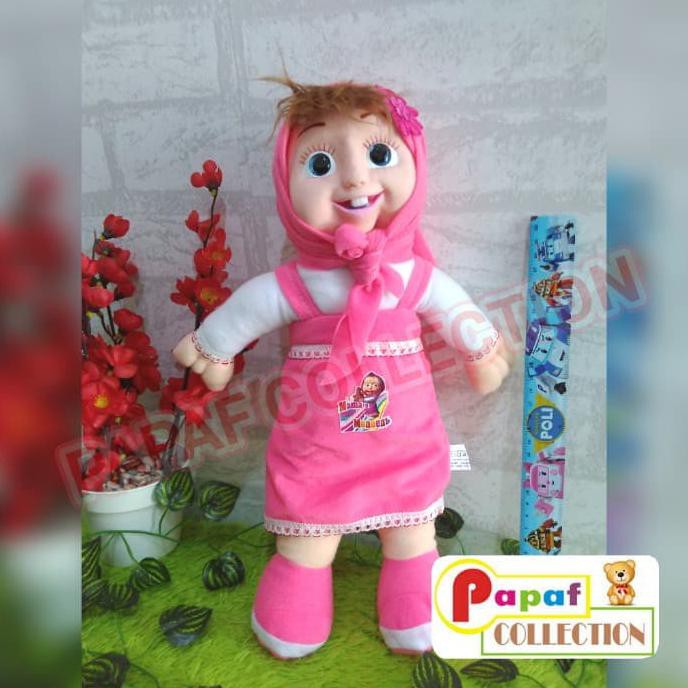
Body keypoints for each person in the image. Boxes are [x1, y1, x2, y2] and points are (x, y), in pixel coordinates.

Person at [174, 78, 511, 659]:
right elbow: (253, 306)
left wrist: (480, 349)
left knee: (412, 531)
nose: (355, 179)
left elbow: (453, 307)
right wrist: (215, 347)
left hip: (405, 448)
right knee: (308, 533)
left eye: (379, 153)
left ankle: (414, 608)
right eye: (322, 163)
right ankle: (297, 603)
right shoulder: (303, 280)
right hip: (317, 450)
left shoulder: (411, 274)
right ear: (287, 186)